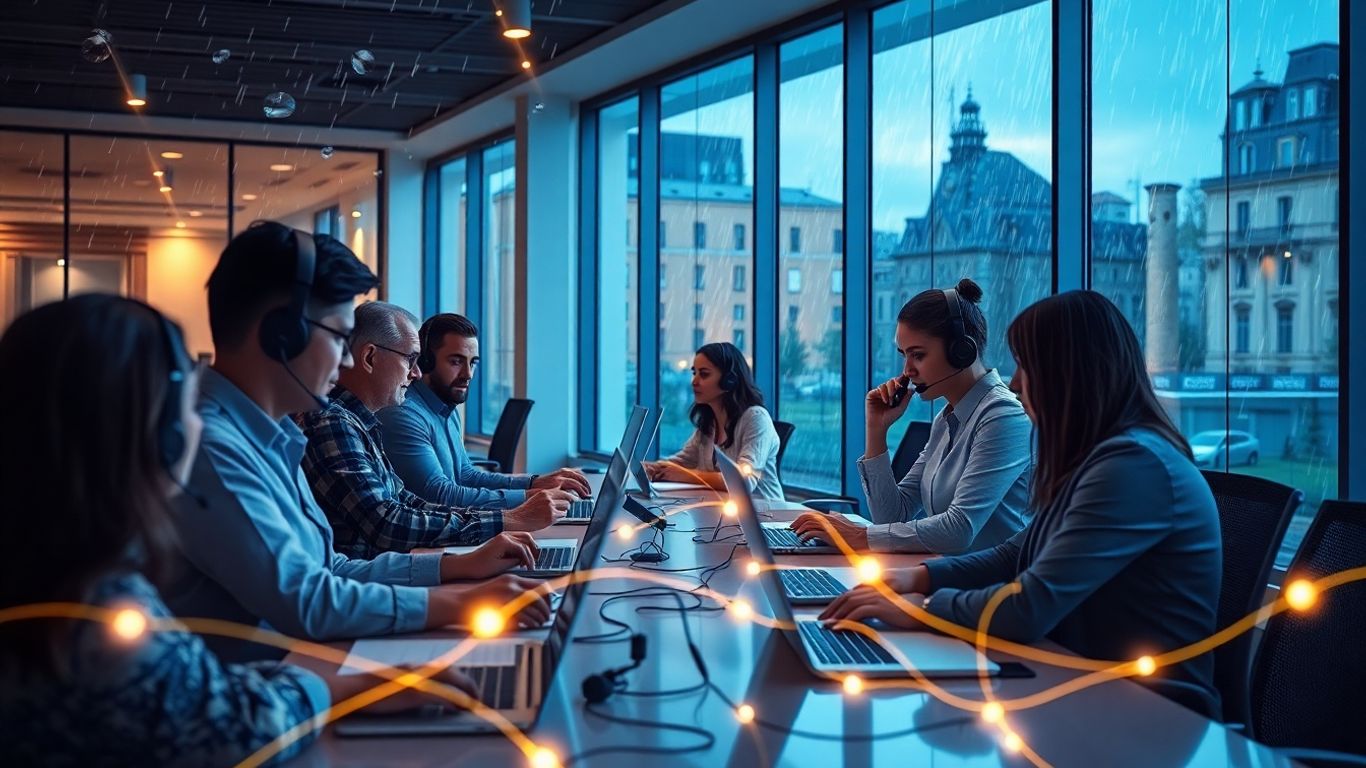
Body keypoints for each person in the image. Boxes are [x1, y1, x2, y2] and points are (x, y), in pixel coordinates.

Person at [0, 296, 478, 765]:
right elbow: (227, 723)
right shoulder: (89, 602)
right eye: (182, 403)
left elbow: (192, 682)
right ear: (153, 434)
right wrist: (347, 687)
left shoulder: (55, 568)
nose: (193, 422)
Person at [819, 291, 1223, 715]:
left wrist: (920, 609)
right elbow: (1018, 552)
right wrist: (918, 579)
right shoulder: (1101, 457)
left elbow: (1029, 607)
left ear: (1070, 373)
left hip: (1147, 715)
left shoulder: (1134, 466)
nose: (1014, 381)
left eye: (1027, 365)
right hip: (1080, 682)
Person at [165, 222, 551, 663]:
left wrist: (456, 567)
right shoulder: (213, 448)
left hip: (307, 665)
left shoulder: (272, 438)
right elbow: (308, 601)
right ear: (282, 335)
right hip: (278, 687)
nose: (347, 358)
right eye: (338, 337)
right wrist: (459, 603)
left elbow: (331, 569)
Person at [299, 301, 573, 559]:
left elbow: (407, 501)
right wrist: (510, 517)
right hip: (368, 584)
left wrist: (515, 507)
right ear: (370, 357)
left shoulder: (362, 423)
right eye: (410, 359)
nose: (416, 373)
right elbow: (387, 523)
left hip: (389, 572)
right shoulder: (335, 423)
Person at [791, 278, 1032, 554]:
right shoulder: (946, 419)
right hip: (945, 579)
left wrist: (859, 536)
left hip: (988, 591)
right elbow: (893, 516)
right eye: (904, 355)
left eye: (918, 355)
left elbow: (959, 530)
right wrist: (876, 430)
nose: (907, 371)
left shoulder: (1004, 416)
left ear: (962, 351)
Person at [378, 312, 591, 508]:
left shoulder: (446, 409)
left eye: (473, 363)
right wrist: (530, 498)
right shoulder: (403, 414)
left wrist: (536, 482)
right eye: (456, 361)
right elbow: (439, 495)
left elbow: (465, 475)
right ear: (425, 362)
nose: (468, 374)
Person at [641, 342, 784, 500]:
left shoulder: (756, 418)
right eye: (694, 373)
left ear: (729, 380)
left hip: (767, 516)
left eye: (704, 374)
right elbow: (682, 462)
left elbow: (743, 481)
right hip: (723, 515)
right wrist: (651, 468)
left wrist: (689, 476)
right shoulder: (710, 424)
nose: (694, 381)